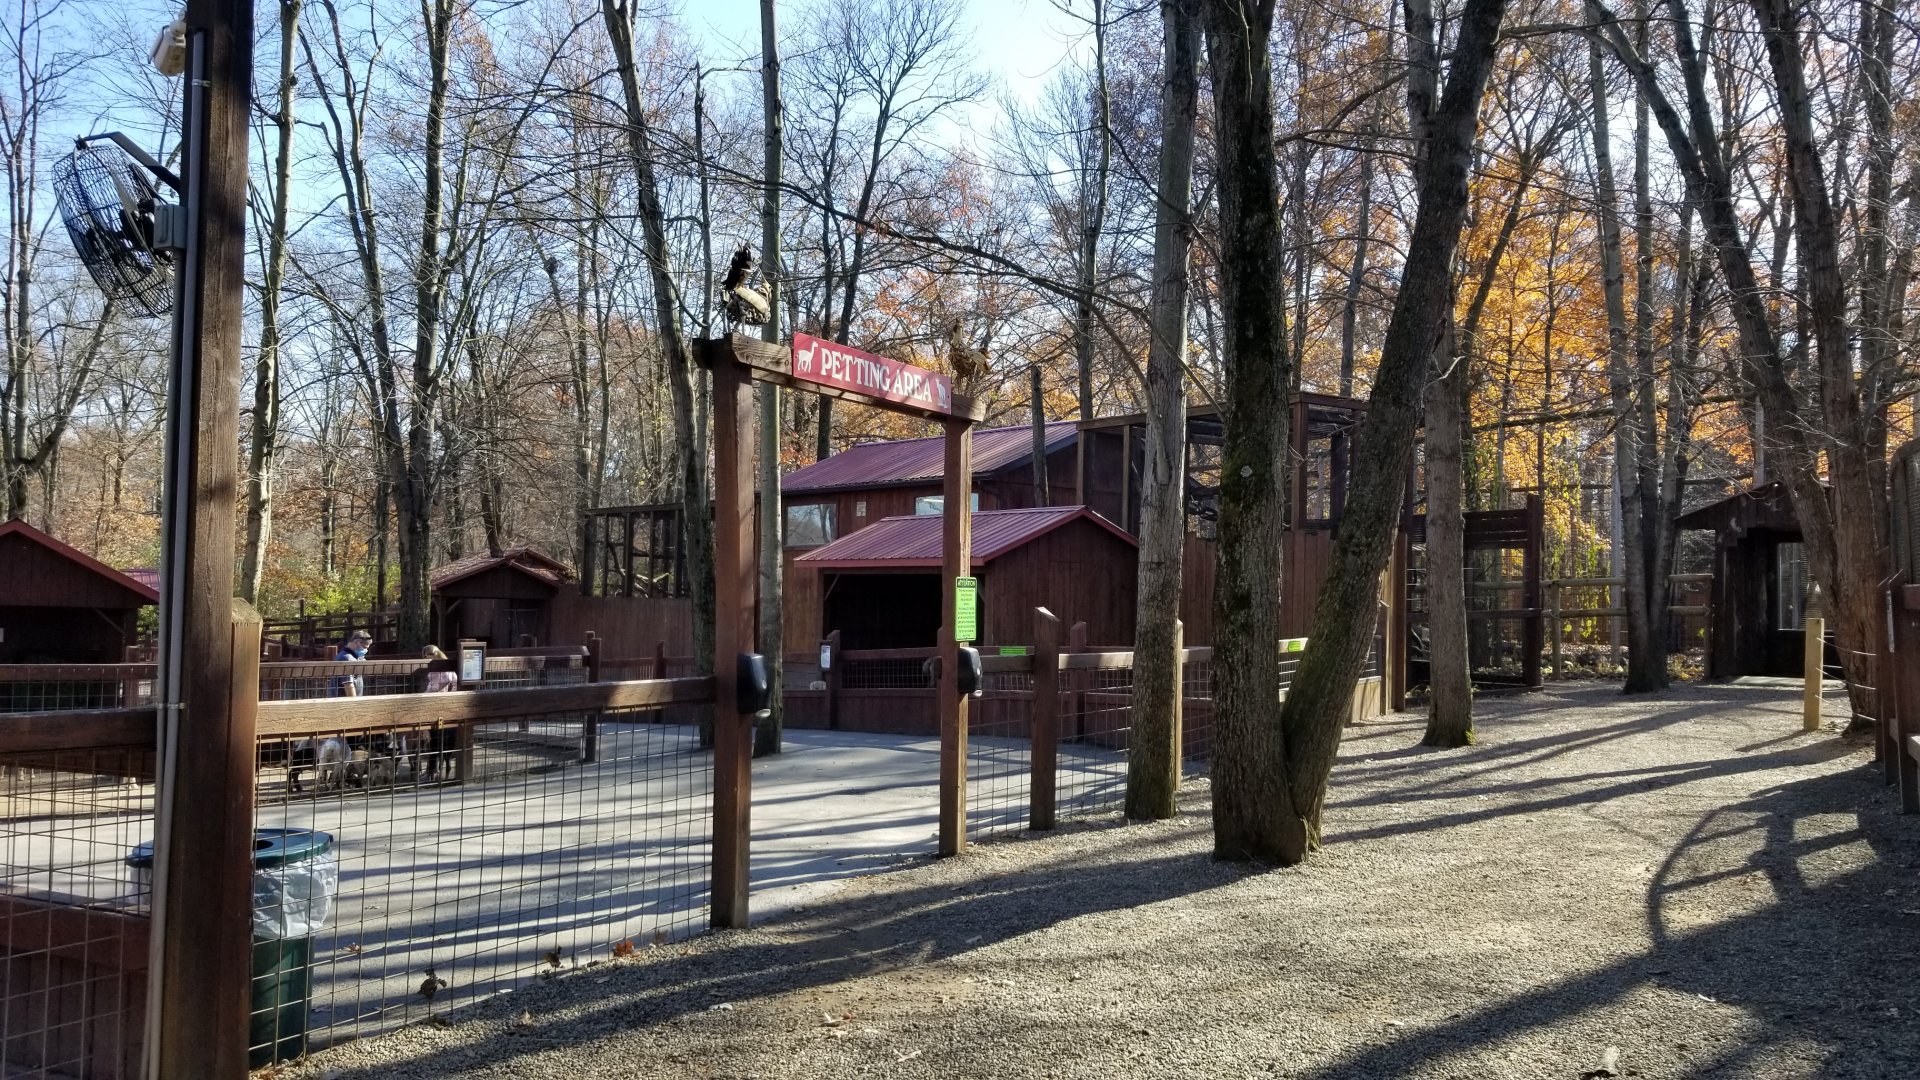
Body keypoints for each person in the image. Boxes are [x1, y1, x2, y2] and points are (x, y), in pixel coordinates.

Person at [330, 630, 371, 697]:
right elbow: (348, 684)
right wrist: (353, 702)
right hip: (344, 701)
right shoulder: (346, 658)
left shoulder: (354, 657)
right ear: (357, 642)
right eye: (364, 648)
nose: (365, 651)